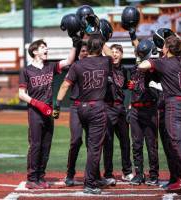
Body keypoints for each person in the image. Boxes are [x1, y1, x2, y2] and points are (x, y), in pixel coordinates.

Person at [138, 35, 181, 198]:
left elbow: (142, 66)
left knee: (175, 140)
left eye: (164, 47)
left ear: (167, 48)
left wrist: (152, 58)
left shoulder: (164, 62)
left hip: (173, 105)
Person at [54, 34, 111, 195]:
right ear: (100, 48)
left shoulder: (77, 66)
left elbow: (65, 85)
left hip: (81, 108)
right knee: (91, 146)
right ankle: (88, 182)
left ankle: (93, 177)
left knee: (90, 145)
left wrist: (57, 105)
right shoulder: (105, 62)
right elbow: (112, 56)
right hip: (95, 107)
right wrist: (102, 37)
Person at [18, 39, 77, 189]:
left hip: (48, 111)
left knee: (46, 145)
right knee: (36, 145)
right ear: (35, 51)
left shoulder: (50, 66)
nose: (46, 49)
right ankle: (32, 179)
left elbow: (69, 60)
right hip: (35, 112)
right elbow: (21, 94)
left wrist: (75, 43)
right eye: (43, 47)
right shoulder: (26, 70)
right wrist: (38, 104)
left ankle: (40, 177)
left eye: (46, 47)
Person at [127, 30, 159, 186]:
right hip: (135, 110)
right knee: (137, 144)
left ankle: (154, 175)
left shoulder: (153, 68)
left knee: (151, 145)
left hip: (149, 110)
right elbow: (139, 50)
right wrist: (132, 36)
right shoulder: (135, 69)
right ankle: (139, 174)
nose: (138, 55)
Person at [102, 44, 133, 186]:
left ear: (121, 55)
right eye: (112, 52)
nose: (114, 54)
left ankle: (127, 172)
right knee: (108, 143)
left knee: (125, 142)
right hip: (107, 108)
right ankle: (108, 174)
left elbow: (127, 86)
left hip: (120, 108)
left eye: (117, 52)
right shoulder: (106, 67)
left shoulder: (124, 70)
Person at [64, 42, 88, 186]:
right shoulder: (75, 66)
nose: (85, 53)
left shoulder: (96, 64)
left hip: (93, 106)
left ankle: (93, 174)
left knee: (93, 142)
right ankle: (70, 173)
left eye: (87, 50)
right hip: (76, 106)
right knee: (76, 140)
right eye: (82, 51)